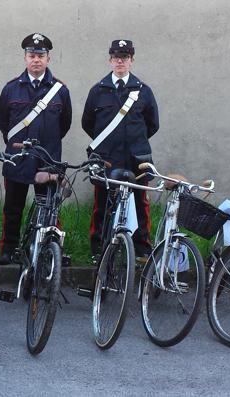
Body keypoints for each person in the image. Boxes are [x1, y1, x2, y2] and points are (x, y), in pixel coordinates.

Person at [0, 33, 72, 266]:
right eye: (31, 55)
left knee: (49, 208)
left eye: (40, 55)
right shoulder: (11, 89)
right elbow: (3, 122)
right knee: (12, 209)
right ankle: (9, 249)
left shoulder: (60, 91)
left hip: (47, 159)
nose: (36, 59)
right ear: (25, 58)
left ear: (48, 58)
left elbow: (64, 124)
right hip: (18, 158)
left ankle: (50, 248)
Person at [81, 39, 159, 261]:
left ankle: (142, 246)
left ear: (132, 61)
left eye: (124, 58)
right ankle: (99, 247)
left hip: (136, 157)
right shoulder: (98, 91)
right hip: (106, 158)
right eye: (116, 57)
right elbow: (88, 123)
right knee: (102, 202)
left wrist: (134, 140)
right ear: (110, 60)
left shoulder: (143, 91)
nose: (120, 61)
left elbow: (152, 124)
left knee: (139, 202)